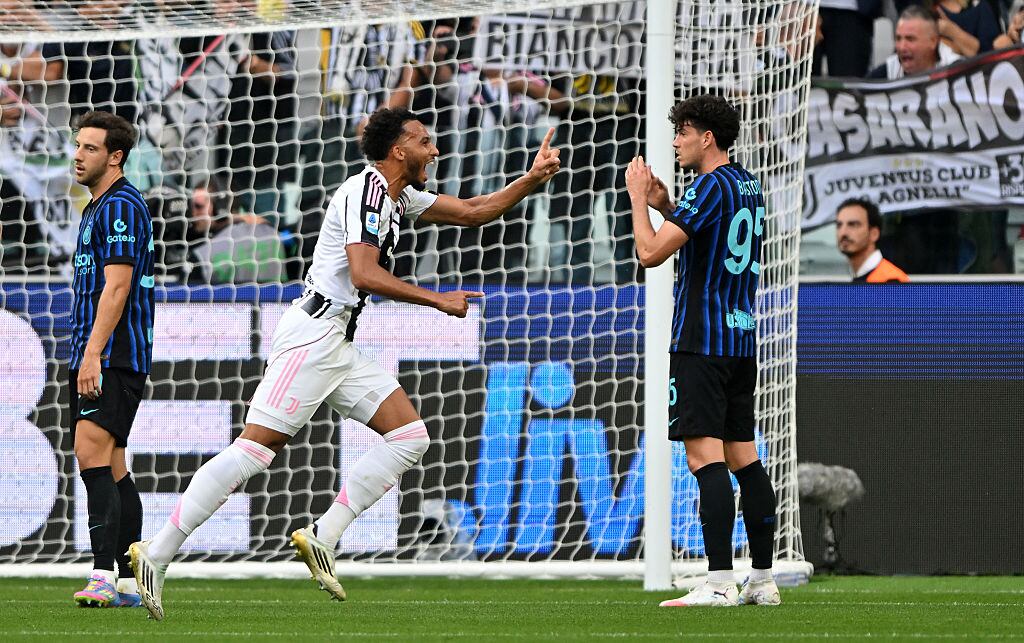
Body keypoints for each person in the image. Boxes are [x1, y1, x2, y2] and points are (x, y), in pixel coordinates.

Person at [128, 107, 560, 620]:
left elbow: (472, 211)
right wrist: (436, 299)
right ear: (399, 151)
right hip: (313, 336)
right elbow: (363, 273)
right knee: (254, 451)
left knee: (410, 437)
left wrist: (531, 180)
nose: (435, 149)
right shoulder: (368, 193)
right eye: (425, 141)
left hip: (338, 341)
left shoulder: (400, 196)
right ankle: (156, 552)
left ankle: (323, 534)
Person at [625, 95, 780, 607]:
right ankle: (762, 580)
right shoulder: (749, 186)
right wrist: (667, 207)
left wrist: (636, 199)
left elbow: (649, 254)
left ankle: (717, 583)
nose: (676, 141)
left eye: (682, 132)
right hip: (740, 338)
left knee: (704, 459)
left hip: (700, 341)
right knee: (745, 458)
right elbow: (708, 240)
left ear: (706, 137)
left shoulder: (710, 185)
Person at [67, 110, 154, 608]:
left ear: (115, 156)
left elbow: (118, 287)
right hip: (95, 350)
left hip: (113, 353)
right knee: (114, 464)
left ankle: (101, 574)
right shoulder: (94, 208)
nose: (79, 155)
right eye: (78, 145)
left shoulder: (121, 206)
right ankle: (128, 580)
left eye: (91, 148)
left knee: (90, 453)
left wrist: (93, 354)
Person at [835, 198, 910, 282]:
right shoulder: (860, 277)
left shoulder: (891, 281)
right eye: (839, 225)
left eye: (853, 225)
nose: (843, 232)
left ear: (874, 234)